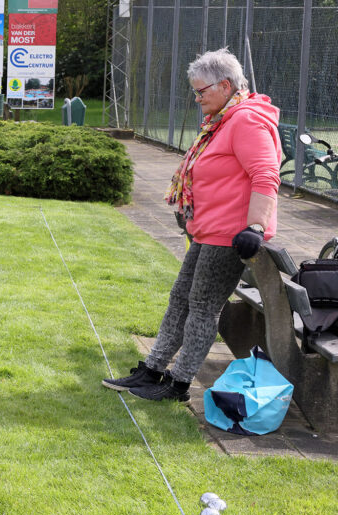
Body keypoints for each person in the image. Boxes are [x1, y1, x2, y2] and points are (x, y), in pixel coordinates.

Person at [103, 48, 281, 401]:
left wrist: (256, 228)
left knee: (202, 308)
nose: (196, 98)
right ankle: (152, 371)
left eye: (201, 91)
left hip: (231, 236)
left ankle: (179, 384)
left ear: (226, 85)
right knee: (180, 299)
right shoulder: (221, 120)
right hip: (207, 230)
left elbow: (265, 175)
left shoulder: (245, 120)